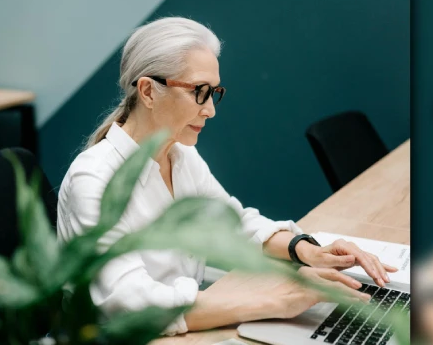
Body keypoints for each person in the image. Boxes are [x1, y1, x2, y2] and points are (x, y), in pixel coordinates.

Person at [56, 17, 398, 335]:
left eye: (215, 92)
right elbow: (130, 306)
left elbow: (233, 223)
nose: (210, 109)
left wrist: (305, 249)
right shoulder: (95, 180)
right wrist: (276, 300)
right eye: (199, 92)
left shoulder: (180, 154)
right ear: (147, 91)